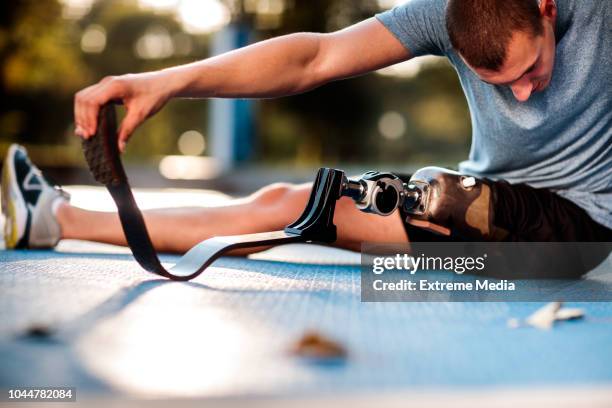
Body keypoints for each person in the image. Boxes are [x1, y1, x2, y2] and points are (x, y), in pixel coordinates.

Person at [2, 0, 611, 252]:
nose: (524, 94)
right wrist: (167, 81)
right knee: (291, 202)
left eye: (531, 68)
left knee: (441, 199)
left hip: (580, 219)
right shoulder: (443, 13)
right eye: (499, 83)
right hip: (487, 202)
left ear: (546, 6)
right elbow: (313, 57)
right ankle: (57, 219)